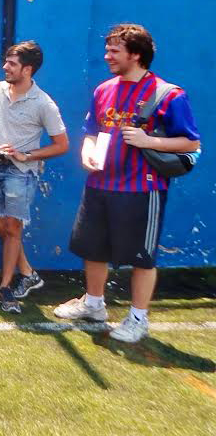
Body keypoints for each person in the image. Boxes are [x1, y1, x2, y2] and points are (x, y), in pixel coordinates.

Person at [54, 24, 200, 342]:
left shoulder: (168, 94)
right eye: (107, 50)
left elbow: (190, 143)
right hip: (100, 184)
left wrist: (150, 141)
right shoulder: (104, 90)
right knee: (92, 249)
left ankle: (138, 318)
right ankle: (93, 304)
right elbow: (92, 132)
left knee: (141, 258)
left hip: (142, 189)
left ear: (135, 54)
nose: (107, 56)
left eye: (114, 51)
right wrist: (87, 152)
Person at [0, 41, 68, 313]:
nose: (5, 66)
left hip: (22, 173)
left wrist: (27, 156)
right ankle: (28, 272)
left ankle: (5, 288)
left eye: (12, 64)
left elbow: (62, 145)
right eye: (6, 61)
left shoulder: (43, 103)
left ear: (28, 70)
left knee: (13, 229)